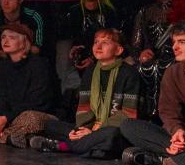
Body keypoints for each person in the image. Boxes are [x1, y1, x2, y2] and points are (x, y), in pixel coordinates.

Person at [120, 21, 185, 165]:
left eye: (182, 42)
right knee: (128, 126)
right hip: (181, 137)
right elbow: (168, 111)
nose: (175, 47)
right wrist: (178, 131)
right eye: (174, 42)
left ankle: (169, 162)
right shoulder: (172, 72)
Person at [29, 28, 140, 158]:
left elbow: (127, 114)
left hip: (112, 128)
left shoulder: (129, 73)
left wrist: (95, 130)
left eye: (105, 42)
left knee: (111, 135)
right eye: (96, 42)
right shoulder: (90, 71)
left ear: (118, 50)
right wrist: (82, 129)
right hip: (91, 129)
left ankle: (63, 146)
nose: (98, 46)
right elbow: (84, 107)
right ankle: (90, 148)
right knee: (50, 125)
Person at [0, 23, 56, 147]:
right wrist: (0, 117)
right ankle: (12, 138)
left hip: (31, 114)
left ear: (24, 42)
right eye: (3, 37)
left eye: (12, 37)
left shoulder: (39, 65)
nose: (5, 41)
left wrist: (6, 118)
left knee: (32, 118)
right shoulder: (1, 66)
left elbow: (37, 102)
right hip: (9, 117)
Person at [57, 0, 121, 103]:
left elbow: (115, 38)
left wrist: (93, 57)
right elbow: (68, 37)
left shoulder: (109, 12)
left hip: (102, 54)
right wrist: (73, 50)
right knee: (63, 50)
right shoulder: (73, 12)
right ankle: (71, 94)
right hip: (79, 55)